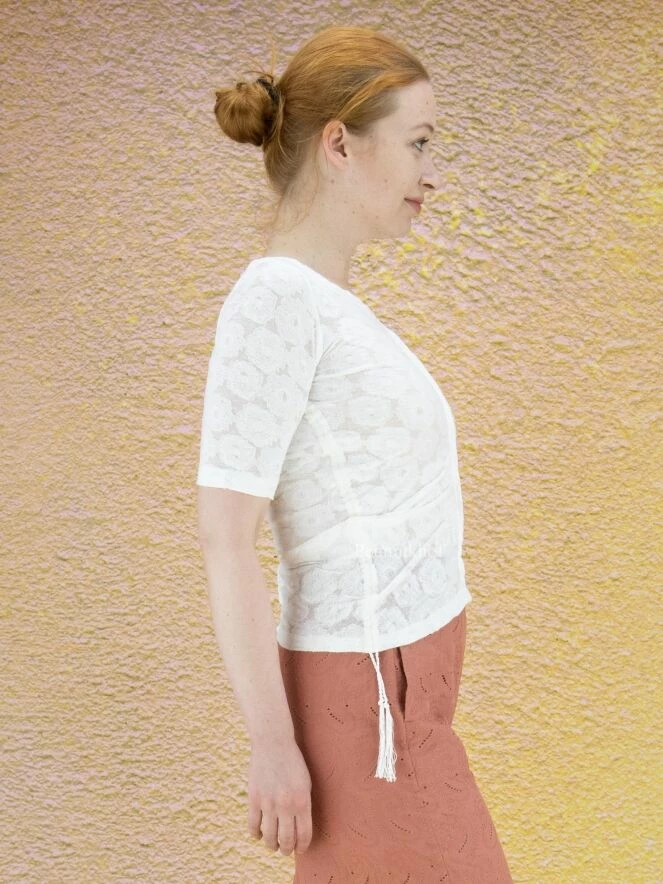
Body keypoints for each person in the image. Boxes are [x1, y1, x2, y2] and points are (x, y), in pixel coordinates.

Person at [196, 24, 514, 882]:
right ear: (339, 144)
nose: (429, 173)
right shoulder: (275, 301)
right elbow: (225, 534)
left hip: (403, 697)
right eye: (417, 143)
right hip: (368, 701)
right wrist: (272, 744)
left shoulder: (329, 306)